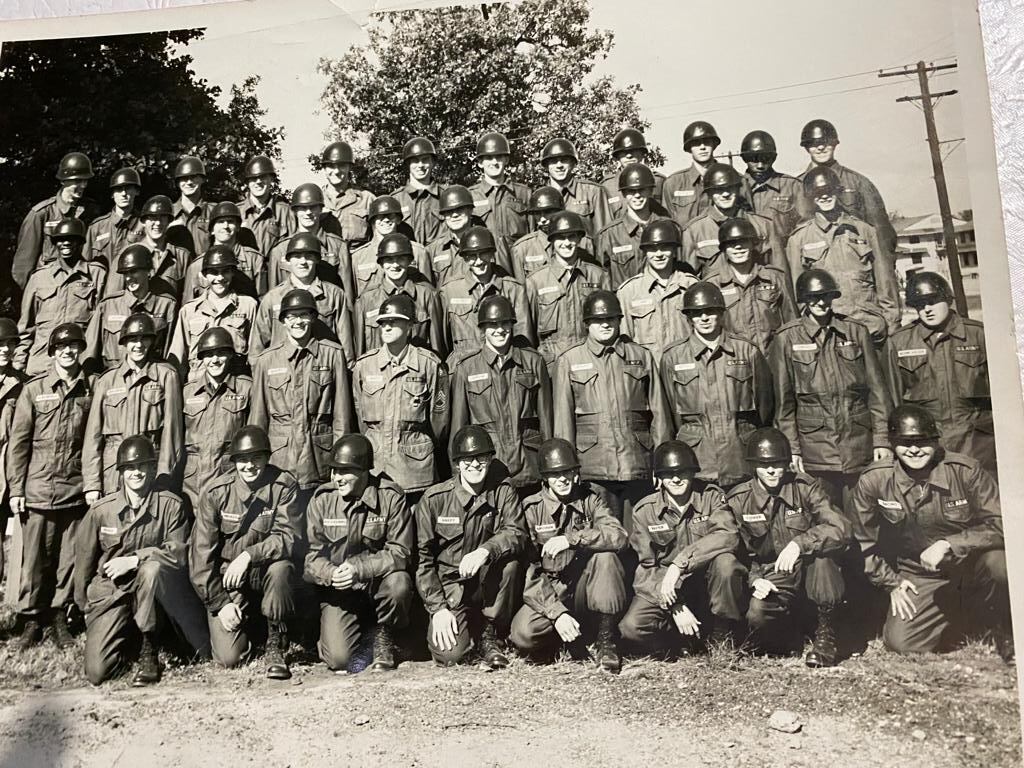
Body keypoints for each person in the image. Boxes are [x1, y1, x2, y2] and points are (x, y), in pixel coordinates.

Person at [850, 405, 1011, 660]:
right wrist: (891, 582)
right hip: (919, 574)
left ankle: (1004, 629)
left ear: (936, 441)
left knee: (1001, 565)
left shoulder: (965, 471)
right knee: (902, 642)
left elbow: (1006, 524)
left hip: (972, 566)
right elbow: (862, 543)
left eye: (922, 441)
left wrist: (950, 543)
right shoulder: (874, 480)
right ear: (892, 444)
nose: (914, 450)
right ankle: (963, 620)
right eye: (904, 442)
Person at [75, 435, 211, 686]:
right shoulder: (101, 511)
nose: (136, 473)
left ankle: (149, 648)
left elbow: (178, 552)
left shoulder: (171, 505)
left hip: (156, 590)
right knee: (96, 672)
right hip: (113, 592)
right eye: (129, 468)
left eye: (142, 466)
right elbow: (83, 563)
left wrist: (134, 560)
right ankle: (128, 638)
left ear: (152, 468)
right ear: (121, 472)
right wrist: (87, 607)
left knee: (152, 569)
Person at [727, 427, 851, 667]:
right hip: (772, 574)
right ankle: (789, 635)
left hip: (808, 569)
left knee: (825, 558)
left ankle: (825, 636)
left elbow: (841, 528)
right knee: (758, 614)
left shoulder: (806, 487)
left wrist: (800, 543)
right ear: (753, 466)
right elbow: (738, 552)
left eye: (778, 463)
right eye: (765, 465)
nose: (772, 470)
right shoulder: (739, 500)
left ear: (787, 463)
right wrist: (754, 579)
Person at [770, 269, 892, 508]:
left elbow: (877, 392)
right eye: (813, 297)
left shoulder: (856, 331)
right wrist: (792, 449)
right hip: (815, 449)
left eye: (826, 296)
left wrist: (881, 440)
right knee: (826, 517)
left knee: (864, 515)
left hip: (858, 443)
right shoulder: (787, 338)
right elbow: (784, 404)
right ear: (803, 300)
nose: (820, 302)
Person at [190, 425, 302, 679]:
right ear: (234, 462)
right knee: (230, 659)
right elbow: (201, 558)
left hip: (264, 573)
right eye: (242, 460)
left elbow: (289, 537)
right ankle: (248, 626)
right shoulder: (216, 492)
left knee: (281, 569)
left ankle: (276, 638)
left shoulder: (283, 487)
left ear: (267, 457)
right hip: (229, 580)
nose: (249, 466)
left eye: (256, 458)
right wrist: (221, 604)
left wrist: (249, 555)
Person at [7, 324, 94, 650]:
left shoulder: (89, 389)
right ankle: (32, 619)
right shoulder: (34, 390)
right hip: (39, 489)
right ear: (53, 351)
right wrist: (16, 489)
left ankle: (59, 616)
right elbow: (19, 444)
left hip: (73, 488)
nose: (68, 351)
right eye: (62, 347)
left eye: (74, 346)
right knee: (35, 561)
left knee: (67, 560)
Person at [552, 290, 671, 525]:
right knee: (605, 534)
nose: (605, 324)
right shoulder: (569, 361)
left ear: (619, 320)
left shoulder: (642, 356)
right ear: (587, 324)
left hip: (637, 462)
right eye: (598, 320)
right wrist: (567, 467)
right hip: (593, 466)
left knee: (641, 533)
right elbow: (563, 421)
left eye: (611, 319)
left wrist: (663, 462)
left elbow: (659, 414)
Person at [509, 438, 628, 672]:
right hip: (551, 590)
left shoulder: (590, 499)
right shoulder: (531, 510)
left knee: (606, 557)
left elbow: (619, 536)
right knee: (523, 634)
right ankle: (566, 639)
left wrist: (573, 539)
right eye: (555, 474)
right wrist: (557, 613)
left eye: (568, 472)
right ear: (545, 477)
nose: (562, 479)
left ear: (575, 473)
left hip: (586, 587)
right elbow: (530, 572)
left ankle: (606, 639)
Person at [415, 425, 527, 668]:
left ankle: (490, 633)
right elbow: (423, 561)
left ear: (490, 459)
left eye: (482, 457)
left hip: (488, 582)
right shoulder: (435, 500)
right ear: (457, 464)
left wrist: (485, 550)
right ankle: (467, 628)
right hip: (451, 589)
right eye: (467, 459)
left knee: (511, 563)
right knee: (450, 655)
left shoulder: (503, 492)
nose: (475, 464)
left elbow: (517, 532)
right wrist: (438, 609)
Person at [619, 440, 744, 656]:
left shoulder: (711, 497)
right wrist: (675, 604)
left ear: (693, 472)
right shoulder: (644, 511)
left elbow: (728, 535)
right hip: (668, 587)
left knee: (726, 563)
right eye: (668, 474)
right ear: (659, 477)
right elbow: (647, 568)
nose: (676, 479)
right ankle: (681, 641)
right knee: (631, 628)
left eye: (683, 472)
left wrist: (680, 563)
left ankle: (722, 636)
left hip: (707, 583)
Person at [303, 434, 414, 673]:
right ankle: (360, 632)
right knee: (339, 660)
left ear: (364, 470)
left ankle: (386, 635)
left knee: (399, 583)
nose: (336, 478)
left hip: (378, 585)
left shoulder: (390, 497)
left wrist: (359, 570)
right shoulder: (323, 500)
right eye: (333, 471)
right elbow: (311, 558)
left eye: (344, 472)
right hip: (341, 591)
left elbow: (401, 552)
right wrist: (332, 574)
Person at [660, 282, 773, 490]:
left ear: (721, 313)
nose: (703, 318)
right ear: (688, 318)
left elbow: (765, 409)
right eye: (696, 313)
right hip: (698, 463)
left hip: (741, 457)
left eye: (710, 311)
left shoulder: (747, 351)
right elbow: (669, 416)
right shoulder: (672, 357)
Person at [250, 289, 353, 509]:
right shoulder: (267, 360)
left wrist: (340, 465)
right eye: (291, 316)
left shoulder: (332, 354)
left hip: (320, 457)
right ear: (283, 321)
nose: (298, 322)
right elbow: (258, 418)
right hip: (281, 458)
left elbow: (341, 416)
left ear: (313, 318)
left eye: (304, 315)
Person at [887, 272, 995, 476]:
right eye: (919, 305)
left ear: (947, 299)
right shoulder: (899, 343)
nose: (926, 309)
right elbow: (893, 401)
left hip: (978, 442)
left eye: (932, 301)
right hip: (929, 446)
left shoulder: (979, 335)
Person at [448, 295, 553, 495]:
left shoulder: (533, 362)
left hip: (529, 467)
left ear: (512, 325)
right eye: (492, 325)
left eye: (505, 323)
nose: (499, 330)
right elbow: (458, 430)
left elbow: (547, 422)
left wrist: (548, 467)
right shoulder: (467, 368)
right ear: (482, 328)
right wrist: (460, 475)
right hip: (489, 468)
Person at [787, 167, 900, 345]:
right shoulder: (799, 239)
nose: (824, 196)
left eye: (829, 191)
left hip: (869, 327)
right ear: (811, 198)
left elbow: (885, 282)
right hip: (830, 332)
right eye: (818, 193)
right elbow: (798, 293)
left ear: (838, 192)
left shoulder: (865, 231)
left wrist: (892, 324)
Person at [351, 295, 449, 497]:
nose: (386, 327)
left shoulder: (429, 364)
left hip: (416, 471)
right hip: (377, 468)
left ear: (410, 325)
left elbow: (440, 423)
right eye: (383, 323)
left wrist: (418, 446)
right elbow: (360, 417)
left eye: (393, 322)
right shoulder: (364, 366)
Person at [81, 313, 184, 500]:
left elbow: (172, 433)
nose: (138, 345)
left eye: (144, 338)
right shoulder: (107, 381)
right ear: (124, 343)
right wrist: (92, 484)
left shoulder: (166, 375)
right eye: (132, 339)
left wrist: (164, 477)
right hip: (113, 474)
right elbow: (93, 437)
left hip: (149, 471)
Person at [16, 218, 106, 375]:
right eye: (60, 239)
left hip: (79, 364)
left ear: (81, 242)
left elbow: (101, 326)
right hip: (42, 363)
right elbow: (26, 326)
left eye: (71, 239)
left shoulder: (97, 275)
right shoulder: (39, 277)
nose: (65, 243)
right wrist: (19, 361)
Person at [525, 211, 611, 369]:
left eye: (571, 236)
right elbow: (528, 332)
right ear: (551, 241)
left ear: (579, 239)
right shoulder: (535, 281)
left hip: (592, 363)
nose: (566, 243)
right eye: (560, 238)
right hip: (553, 365)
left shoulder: (598, 276)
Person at [797, 119, 897, 252]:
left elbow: (882, 232)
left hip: (856, 260)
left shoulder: (859, 183)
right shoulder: (797, 186)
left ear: (835, 143)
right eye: (814, 144)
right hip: (813, 263)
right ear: (806, 147)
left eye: (825, 142)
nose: (821, 147)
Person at [252, 233, 355, 363]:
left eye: (309, 256)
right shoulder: (273, 298)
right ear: (288, 260)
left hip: (323, 372)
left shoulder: (335, 295)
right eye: (297, 256)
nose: (303, 262)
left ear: (317, 260)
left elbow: (346, 347)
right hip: (282, 374)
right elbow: (256, 350)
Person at [702, 218, 797, 356]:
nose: (738, 247)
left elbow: (792, 322)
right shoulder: (713, 285)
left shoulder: (774, 278)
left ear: (753, 244)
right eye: (731, 243)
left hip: (774, 359)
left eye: (743, 241)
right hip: (736, 362)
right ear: (723, 249)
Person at [180, 328, 253, 506]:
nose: (215, 360)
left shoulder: (246, 389)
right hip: (192, 483)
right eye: (209, 354)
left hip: (229, 477)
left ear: (230, 355)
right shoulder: (187, 392)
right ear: (202, 358)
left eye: (221, 353)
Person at [439, 226, 533, 364]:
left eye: (483, 253)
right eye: (472, 256)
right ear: (464, 258)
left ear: (492, 254)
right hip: (464, 368)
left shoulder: (512, 289)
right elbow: (443, 342)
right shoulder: (450, 291)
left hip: (504, 366)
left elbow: (522, 338)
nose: (478, 261)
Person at [681, 162, 787, 280]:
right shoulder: (694, 231)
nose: (725, 194)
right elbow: (689, 279)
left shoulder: (763, 225)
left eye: (729, 188)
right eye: (718, 190)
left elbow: (781, 274)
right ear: (709, 193)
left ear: (737, 189)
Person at [168, 246, 258, 381]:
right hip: (198, 388)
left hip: (236, 387)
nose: (220, 277)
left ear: (233, 273)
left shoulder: (248, 306)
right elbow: (178, 359)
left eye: (225, 271)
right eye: (214, 272)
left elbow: (255, 355)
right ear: (205, 275)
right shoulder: (189, 311)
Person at [84, 244, 177, 373]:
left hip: (152, 379)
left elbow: (171, 353)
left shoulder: (166, 305)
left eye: (134, 271)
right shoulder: (108, 306)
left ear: (148, 272)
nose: (128, 278)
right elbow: (89, 353)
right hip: (115, 380)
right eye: (125, 273)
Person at [12, 152, 99, 289]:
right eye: (77, 181)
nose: (83, 185)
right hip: (49, 290)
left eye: (85, 181)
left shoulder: (91, 212)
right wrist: (37, 295)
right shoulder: (41, 214)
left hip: (81, 291)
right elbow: (23, 267)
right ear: (63, 181)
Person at [615, 219, 696, 362]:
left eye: (665, 247)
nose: (658, 254)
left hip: (685, 368)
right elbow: (625, 344)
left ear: (674, 249)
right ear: (645, 251)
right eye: (652, 248)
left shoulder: (691, 286)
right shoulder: (628, 292)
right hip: (649, 370)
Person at [352, 234, 445, 358]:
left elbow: (437, 348)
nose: (395, 265)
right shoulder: (365, 301)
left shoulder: (427, 295)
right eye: (389, 260)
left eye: (401, 259)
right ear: (381, 263)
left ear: (409, 261)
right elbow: (360, 350)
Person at [266, 183, 353, 297]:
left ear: (321, 209)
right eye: (302, 208)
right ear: (295, 211)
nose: (308, 212)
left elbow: (346, 293)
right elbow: (274, 296)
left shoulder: (338, 246)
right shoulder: (280, 250)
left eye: (313, 207)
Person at [596, 164, 672, 288]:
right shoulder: (609, 236)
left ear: (650, 191)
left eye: (642, 189)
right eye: (631, 191)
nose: (637, 195)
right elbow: (603, 282)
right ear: (624, 194)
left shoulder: (670, 228)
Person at [425, 185, 512, 286]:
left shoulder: (495, 242)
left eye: (459, 209)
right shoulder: (433, 250)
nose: (454, 215)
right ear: (443, 215)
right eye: (448, 211)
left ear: (470, 210)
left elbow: (506, 283)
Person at [105, 195, 189, 299]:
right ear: (144, 222)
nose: (157, 223)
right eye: (152, 218)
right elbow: (113, 298)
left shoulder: (182, 256)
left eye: (162, 217)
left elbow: (187, 298)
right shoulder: (127, 254)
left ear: (169, 221)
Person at [349, 196, 432, 296]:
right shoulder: (358, 257)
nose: (386, 220)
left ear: (398, 219)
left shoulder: (418, 252)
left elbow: (428, 292)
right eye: (380, 216)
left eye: (391, 216)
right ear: (372, 220)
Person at [740, 130, 812, 246]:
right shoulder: (736, 188)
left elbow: (806, 226)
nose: (760, 165)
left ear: (773, 158)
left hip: (783, 255)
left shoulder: (792, 186)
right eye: (754, 159)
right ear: (744, 158)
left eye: (765, 158)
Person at [182, 202, 265, 300]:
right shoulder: (197, 265)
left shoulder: (254, 259)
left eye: (230, 221)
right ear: (212, 230)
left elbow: (263, 300)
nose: (225, 226)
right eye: (220, 222)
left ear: (238, 227)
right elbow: (188, 305)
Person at [468, 132, 531, 254]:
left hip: (518, 259)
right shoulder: (471, 196)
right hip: (486, 261)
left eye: (499, 157)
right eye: (489, 158)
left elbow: (533, 233)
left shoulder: (524, 193)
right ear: (480, 163)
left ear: (506, 159)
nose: (494, 162)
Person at [538, 137, 611, 240]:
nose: (559, 165)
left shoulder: (593, 192)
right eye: (554, 161)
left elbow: (606, 235)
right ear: (546, 166)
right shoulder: (539, 198)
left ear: (573, 163)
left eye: (564, 160)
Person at [0, 320, 28, 587]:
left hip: (7, 471)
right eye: (0, 344)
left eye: (10, 343)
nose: (6, 349)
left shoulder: (21, 385)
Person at [661, 121, 719, 231]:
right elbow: (668, 224)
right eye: (696, 143)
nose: (702, 147)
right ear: (689, 148)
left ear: (714, 145)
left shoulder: (735, 179)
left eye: (706, 142)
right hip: (687, 246)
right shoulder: (674, 184)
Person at [83, 167, 144, 269]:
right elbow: (85, 264)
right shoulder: (96, 227)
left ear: (137, 191)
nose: (124, 194)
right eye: (119, 189)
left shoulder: (145, 225)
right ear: (112, 194)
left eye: (128, 188)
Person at [600, 128, 667, 217]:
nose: (629, 155)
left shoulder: (659, 181)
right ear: (617, 156)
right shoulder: (607, 186)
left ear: (642, 153)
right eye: (623, 152)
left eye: (633, 151)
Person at [319, 140, 374, 248]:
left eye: (341, 165)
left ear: (349, 167)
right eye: (331, 166)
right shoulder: (314, 200)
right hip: (323, 262)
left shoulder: (366, 199)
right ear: (324, 169)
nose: (336, 171)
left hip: (357, 261)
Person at [391, 136, 444, 245]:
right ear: (408, 165)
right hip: (407, 258)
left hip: (439, 259)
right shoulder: (395, 199)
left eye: (425, 160)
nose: (420, 165)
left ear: (433, 163)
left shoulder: (445, 195)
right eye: (415, 161)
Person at [238, 155, 293, 259]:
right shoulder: (236, 212)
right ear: (247, 183)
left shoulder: (286, 212)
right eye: (253, 178)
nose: (258, 181)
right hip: (245, 272)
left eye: (263, 177)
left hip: (275, 272)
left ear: (271, 179)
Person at [168, 156, 215, 258]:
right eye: (184, 178)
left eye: (194, 177)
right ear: (178, 183)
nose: (189, 182)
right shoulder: (168, 213)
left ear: (202, 179)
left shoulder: (214, 212)